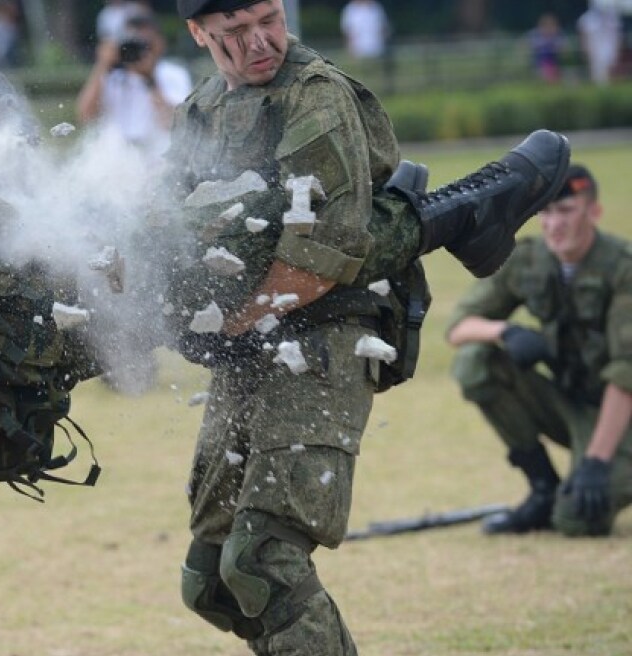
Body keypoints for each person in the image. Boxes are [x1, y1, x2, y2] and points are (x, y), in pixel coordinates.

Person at [165, 1, 570, 654]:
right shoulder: (201, 110)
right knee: (209, 580)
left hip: (328, 326)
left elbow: (318, 257)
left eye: (268, 16)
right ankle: (468, 212)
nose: (261, 40)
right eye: (234, 33)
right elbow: (168, 229)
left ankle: (468, 211)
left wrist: (227, 323)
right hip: (249, 344)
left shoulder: (316, 96)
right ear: (197, 34)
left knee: (262, 561)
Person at [447, 164, 632, 537]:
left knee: (577, 520)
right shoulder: (531, 259)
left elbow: (626, 372)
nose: (553, 224)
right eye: (545, 212)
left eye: (566, 211)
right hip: (570, 400)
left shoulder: (622, 268)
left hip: (621, 415)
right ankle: (543, 488)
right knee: (474, 362)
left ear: (593, 212)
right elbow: (459, 327)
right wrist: (506, 330)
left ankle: (608, 471)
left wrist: (597, 462)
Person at [76, 12, 194, 162]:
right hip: (118, 160)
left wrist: (150, 80)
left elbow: (175, 125)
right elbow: (85, 116)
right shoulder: (111, 77)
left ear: (160, 43)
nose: (140, 51)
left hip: (157, 158)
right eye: (132, 44)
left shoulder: (173, 74)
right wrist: (102, 64)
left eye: (146, 44)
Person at [577, 1, 623, 85]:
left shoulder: (612, 17)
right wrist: (585, 49)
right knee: (597, 72)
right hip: (594, 49)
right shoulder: (587, 19)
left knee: (610, 71)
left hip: (608, 48)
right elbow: (583, 37)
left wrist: (617, 48)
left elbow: (616, 36)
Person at [529, 13, 564, 84]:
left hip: (555, 61)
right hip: (541, 61)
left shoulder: (558, 34)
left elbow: (562, 48)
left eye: (551, 25)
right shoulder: (535, 34)